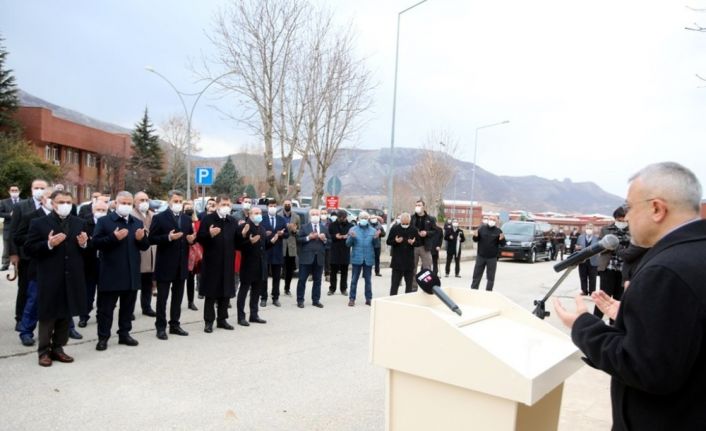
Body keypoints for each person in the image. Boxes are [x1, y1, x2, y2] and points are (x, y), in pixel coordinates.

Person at [554, 162, 706, 430]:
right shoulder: (695, 253)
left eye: (630, 208)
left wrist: (583, 326)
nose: (626, 217)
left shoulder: (666, 270)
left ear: (657, 209)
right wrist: (630, 315)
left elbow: (645, 367)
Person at [24, 190, 88, 367]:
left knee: (66, 313)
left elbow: (86, 252)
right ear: (52, 204)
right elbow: (29, 248)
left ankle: (58, 348)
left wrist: (84, 244)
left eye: (68, 201)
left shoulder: (80, 222)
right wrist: (48, 244)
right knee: (48, 314)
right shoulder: (39, 223)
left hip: (72, 275)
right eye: (61, 202)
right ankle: (43, 351)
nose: (65, 205)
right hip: (49, 275)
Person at [92, 191, 150, 351]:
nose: (126, 206)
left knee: (127, 308)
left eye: (129, 204)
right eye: (123, 203)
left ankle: (124, 334)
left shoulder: (137, 222)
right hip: (110, 273)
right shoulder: (105, 221)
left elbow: (144, 246)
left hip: (131, 273)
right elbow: (95, 243)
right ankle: (103, 337)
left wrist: (141, 239)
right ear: (115, 204)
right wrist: (113, 238)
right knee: (106, 309)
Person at [148, 190, 194, 340]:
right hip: (165, 264)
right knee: (162, 298)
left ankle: (175, 324)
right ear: (169, 202)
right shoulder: (160, 218)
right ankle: (160, 327)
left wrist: (191, 239)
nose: (178, 204)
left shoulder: (187, 219)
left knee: (178, 297)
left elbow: (190, 237)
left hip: (181, 264)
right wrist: (168, 237)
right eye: (175, 201)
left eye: (180, 201)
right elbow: (152, 239)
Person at [9, 179, 48, 330]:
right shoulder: (21, 206)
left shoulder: (52, 206)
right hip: (26, 255)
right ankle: (20, 318)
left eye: (42, 188)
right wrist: (13, 254)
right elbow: (13, 232)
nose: (39, 190)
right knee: (25, 288)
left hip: (45, 255)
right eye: (36, 187)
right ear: (31, 189)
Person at [196, 195, 238, 333]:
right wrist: (210, 234)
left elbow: (236, 241)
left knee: (225, 292)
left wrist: (243, 235)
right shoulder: (208, 219)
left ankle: (222, 319)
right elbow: (200, 238)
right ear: (218, 204)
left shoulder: (232, 221)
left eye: (228, 204)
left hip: (227, 261)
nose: (226, 206)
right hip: (212, 261)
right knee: (211, 292)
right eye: (224, 204)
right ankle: (209, 321)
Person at [235, 206, 278, 326]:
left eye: (260, 213)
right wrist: (248, 239)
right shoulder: (244, 227)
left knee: (256, 292)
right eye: (256, 213)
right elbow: (238, 245)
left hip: (260, 265)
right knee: (243, 291)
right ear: (249, 214)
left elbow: (264, 246)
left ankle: (254, 315)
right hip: (248, 265)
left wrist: (272, 241)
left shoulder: (262, 228)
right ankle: (241, 317)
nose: (258, 215)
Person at [594, 207, 630, 321]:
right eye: (620, 220)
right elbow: (599, 247)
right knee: (604, 296)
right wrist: (611, 246)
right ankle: (596, 321)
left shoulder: (633, 230)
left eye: (624, 220)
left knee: (619, 298)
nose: (622, 222)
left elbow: (634, 248)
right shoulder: (606, 229)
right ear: (615, 218)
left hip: (624, 269)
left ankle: (614, 323)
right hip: (608, 267)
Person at [77, 199, 108, 327]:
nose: (100, 213)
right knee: (88, 292)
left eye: (103, 210)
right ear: (93, 210)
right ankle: (83, 316)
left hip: (105, 263)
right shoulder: (84, 223)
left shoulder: (110, 223)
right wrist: (89, 243)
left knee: (104, 292)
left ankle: (101, 315)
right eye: (98, 210)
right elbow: (82, 242)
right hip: (89, 262)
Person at [296, 208, 329, 308]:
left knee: (317, 280)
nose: (315, 216)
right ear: (310, 216)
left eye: (317, 214)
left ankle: (316, 300)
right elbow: (298, 239)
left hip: (319, 258)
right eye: (313, 214)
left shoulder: (324, 228)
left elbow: (329, 243)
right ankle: (300, 300)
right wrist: (308, 238)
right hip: (306, 258)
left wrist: (325, 240)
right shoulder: (304, 227)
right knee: (302, 280)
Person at [131, 191, 157, 317]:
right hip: (138, 254)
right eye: (141, 200)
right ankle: (129, 310)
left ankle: (146, 307)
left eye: (146, 200)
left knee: (148, 284)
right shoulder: (131, 215)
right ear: (135, 202)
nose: (144, 203)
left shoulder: (153, 215)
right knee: (134, 285)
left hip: (151, 254)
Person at [346, 211, 378, 306]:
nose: (363, 219)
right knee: (354, 280)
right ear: (358, 219)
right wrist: (351, 237)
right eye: (362, 218)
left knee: (368, 280)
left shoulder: (373, 230)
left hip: (368, 258)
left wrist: (376, 239)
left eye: (365, 218)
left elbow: (376, 246)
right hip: (357, 258)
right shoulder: (353, 229)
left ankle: (368, 299)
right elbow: (347, 244)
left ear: (368, 219)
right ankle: (352, 298)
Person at [261, 200, 288, 307]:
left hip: (277, 252)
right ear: (267, 207)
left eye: (274, 206)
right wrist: (265, 234)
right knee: (264, 277)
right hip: (266, 251)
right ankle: (263, 297)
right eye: (271, 206)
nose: (273, 208)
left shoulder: (281, 219)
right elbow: (258, 231)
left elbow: (287, 234)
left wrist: (282, 234)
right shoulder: (262, 219)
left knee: (276, 277)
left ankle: (275, 297)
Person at [470, 215, 505, 291]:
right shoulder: (482, 228)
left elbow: (503, 244)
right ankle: (473, 290)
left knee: (490, 277)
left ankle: (488, 292)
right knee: (476, 275)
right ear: (488, 220)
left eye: (494, 220)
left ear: (496, 222)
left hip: (492, 258)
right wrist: (475, 236)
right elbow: (476, 240)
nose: (491, 221)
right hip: (481, 256)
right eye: (490, 219)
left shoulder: (498, 231)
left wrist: (501, 239)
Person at [386, 212, 418, 295]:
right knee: (394, 285)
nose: (405, 225)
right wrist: (395, 241)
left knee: (409, 286)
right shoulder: (395, 228)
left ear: (409, 222)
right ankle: (392, 300)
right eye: (403, 223)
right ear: (400, 221)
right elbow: (388, 241)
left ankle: (407, 302)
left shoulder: (414, 229)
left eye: (407, 223)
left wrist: (413, 243)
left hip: (409, 262)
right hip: (397, 262)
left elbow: (418, 243)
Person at [410, 200, 438, 282]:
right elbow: (408, 230)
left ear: (424, 207)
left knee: (427, 268)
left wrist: (427, 233)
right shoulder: (412, 218)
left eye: (419, 205)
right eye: (416, 205)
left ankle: (427, 286)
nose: (417, 207)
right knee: (412, 268)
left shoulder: (431, 219)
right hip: (414, 246)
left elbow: (435, 231)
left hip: (425, 247)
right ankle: (412, 288)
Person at [277, 199, 300, 296]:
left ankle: (287, 288)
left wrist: (295, 230)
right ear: (283, 205)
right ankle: (276, 289)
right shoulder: (278, 215)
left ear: (291, 205)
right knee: (278, 269)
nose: (287, 205)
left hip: (291, 245)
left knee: (290, 269)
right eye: (285, 204)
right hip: (279, 244)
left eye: (289, 204)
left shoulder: (296, 217)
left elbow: (300, 231)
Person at [328, 209, 352, 296]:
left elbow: (353, 237)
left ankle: (343, 289)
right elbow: (328, 236)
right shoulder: (332, 225)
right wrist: (335, 236)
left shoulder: (350, 226)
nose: (342, 219)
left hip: (345, 251)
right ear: (338, 217)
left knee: (344, 272)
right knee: (333, 272)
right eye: (340, 217)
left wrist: (348, 236)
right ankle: (332, 288)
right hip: (334, 251)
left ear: (346, 217)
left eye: (343, 218)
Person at [183, 201, 200, 311]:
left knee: (190, 278)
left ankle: (191, 301)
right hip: (182, 251)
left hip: (193, 254)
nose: (189, 209)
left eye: (191, 207)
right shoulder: (180, 220)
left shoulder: (197, 222)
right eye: (187, 207)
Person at [0, 184, 20, 271]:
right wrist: (9, 215)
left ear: (19, 191)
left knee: (20, 245)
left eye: (16, 190)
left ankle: (19, 263)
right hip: (8, 227)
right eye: (12, 190)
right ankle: (5, 263)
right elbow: (0, 213)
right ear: (9, 192)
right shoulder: (4, 202)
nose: (14, 192)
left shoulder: (24, 201)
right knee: (7, 246)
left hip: (20, 227)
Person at [576, 224, 599, 296]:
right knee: (583, 276)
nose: (589, 229)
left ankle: (592, 291)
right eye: (588, 228)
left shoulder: (597, 238)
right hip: (582, 260)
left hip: (593, 260)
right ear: (585, 229)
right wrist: (577, 248)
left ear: (593, 229)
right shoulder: (580, 237)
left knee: (592, 277)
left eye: (590, 228)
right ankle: (584, 290)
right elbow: (577, 247)